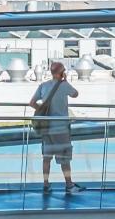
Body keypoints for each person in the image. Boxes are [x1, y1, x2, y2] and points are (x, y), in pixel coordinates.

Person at [29, 60, 78, 195]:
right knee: (64, 159)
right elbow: (75, 94)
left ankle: (46, 184)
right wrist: (65, 81)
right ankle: (68, 184)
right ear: (62, 73)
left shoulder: (43, 86)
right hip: (61, 128)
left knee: (46, 157)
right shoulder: (64, 86)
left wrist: (43, 109)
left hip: (47, 127)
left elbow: (32, 103)